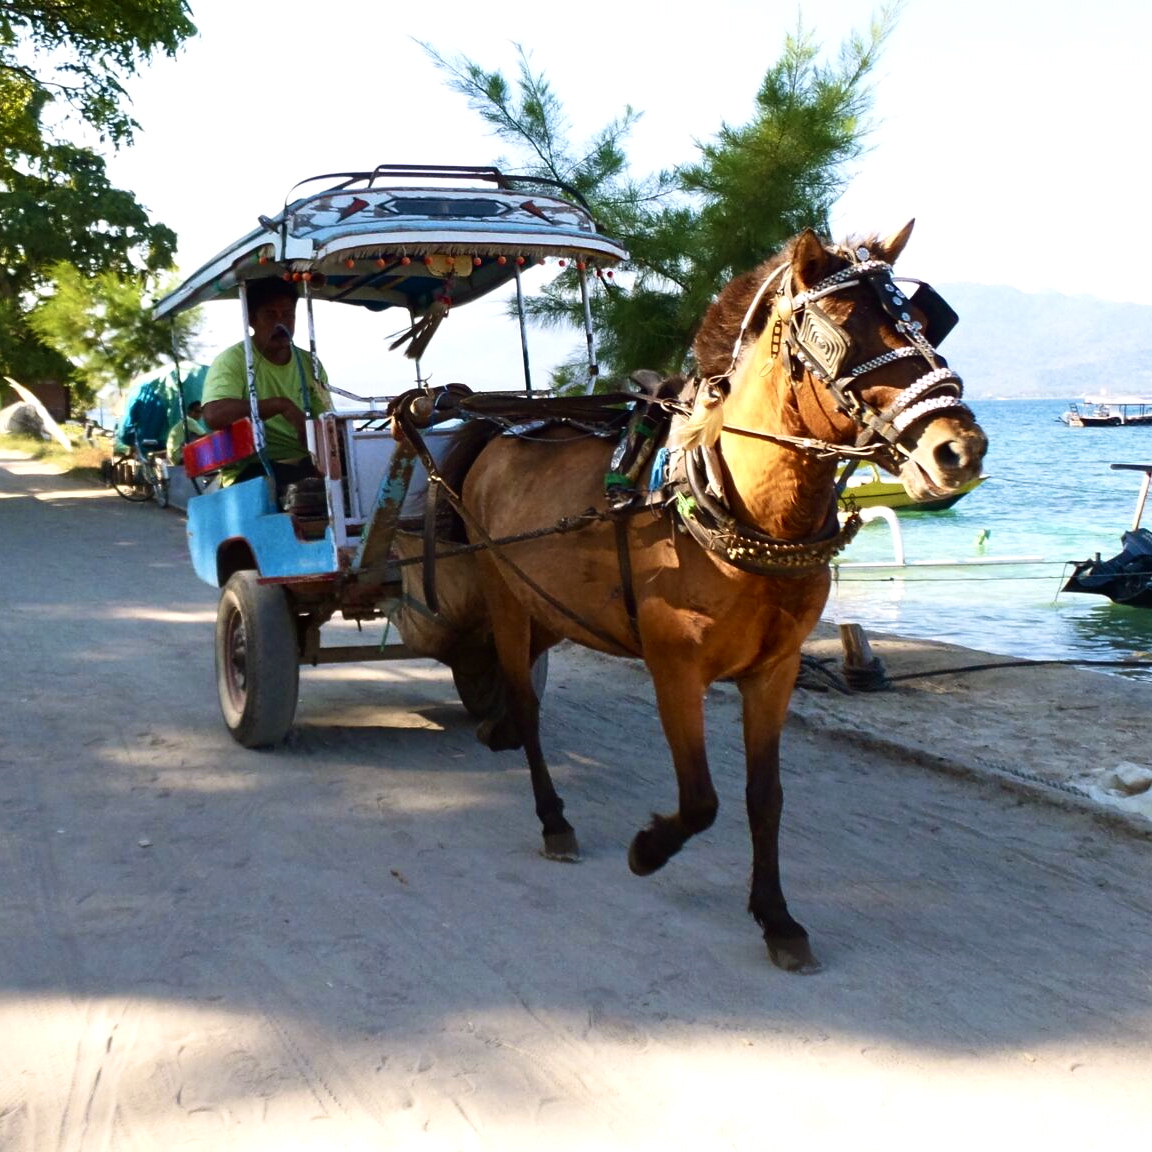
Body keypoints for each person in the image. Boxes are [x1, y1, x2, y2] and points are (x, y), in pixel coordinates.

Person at [200, 277, 332, 489]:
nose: (281, 323)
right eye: (271, 315)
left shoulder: (310, 363)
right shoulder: (233, 360)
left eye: (288, 314)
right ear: (251, 319)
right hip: (252, 467)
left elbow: (326, 420)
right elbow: (214, 414)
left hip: (305, 463)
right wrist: (281, 405)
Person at [165, 400, 209, 466]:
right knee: (206, 440)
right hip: (180, 457)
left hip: (174, 458)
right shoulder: (189, 421)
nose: (199, 414)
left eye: (201, 412)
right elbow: (205, 436)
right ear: (189, 411)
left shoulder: (184, 421)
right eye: (197, 411)